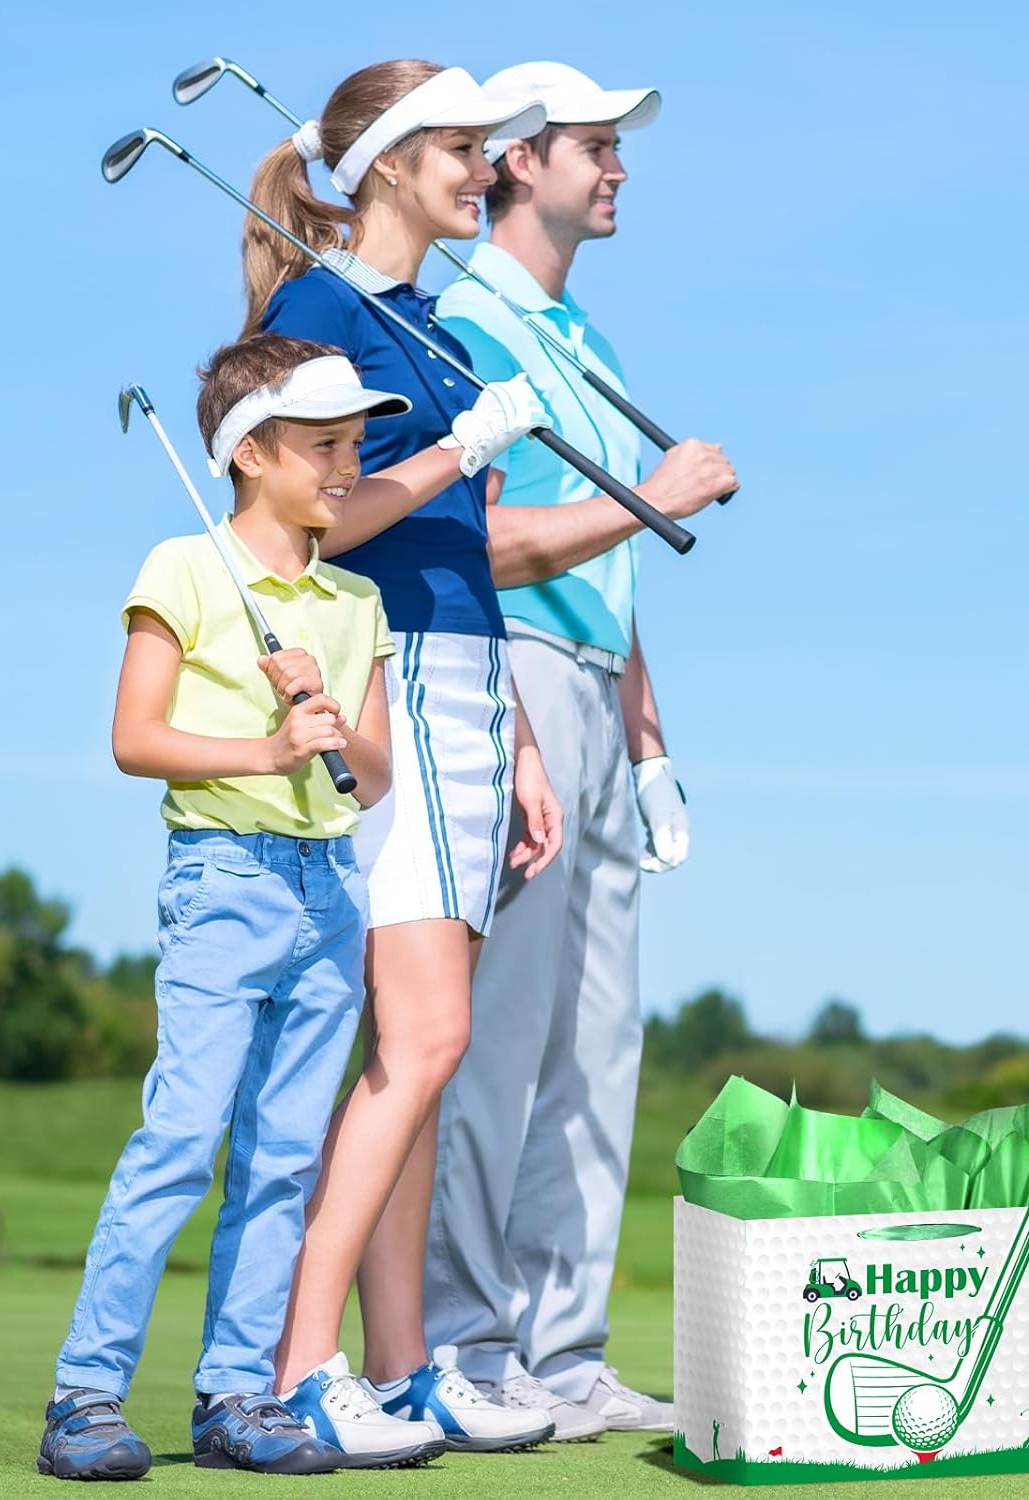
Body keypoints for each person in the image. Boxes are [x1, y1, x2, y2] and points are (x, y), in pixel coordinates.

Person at [244, 60, 571, 1461]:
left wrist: (525, 736)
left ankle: (404, 1364)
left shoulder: (425, 321)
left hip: (469, 679)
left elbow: (462, 557)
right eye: (462, 147)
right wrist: (460, 452)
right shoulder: (317, 315)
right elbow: (313, 520)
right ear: (387, 161)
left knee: (416, 1054)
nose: (485, 170)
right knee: (429, 1038)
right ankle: (300, 1367)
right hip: (396, 674)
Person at [422, 61, 738, 1440]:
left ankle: (563, 1352)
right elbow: (476, 543)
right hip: (513, 679)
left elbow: (612, 571)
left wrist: (651, 744)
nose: (619, 170)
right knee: (502, 1033)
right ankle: (464, 1343)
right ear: (520, 158)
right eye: (597, 146)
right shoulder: (468, 322)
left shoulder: (582, 335)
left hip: (601, 691)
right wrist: (651, 500)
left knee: (599, 1042)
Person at [39, 334, 401, 1479]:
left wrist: (327, 714)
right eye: (324, 443)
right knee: (182, 1139)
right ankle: (85, 1396)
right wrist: (268, 745)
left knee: (284, 1159)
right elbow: (134, 737)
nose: (348, 464)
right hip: (223, 881)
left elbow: (374, 774)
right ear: (250, 453)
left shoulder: (356, 599)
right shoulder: (184, 569)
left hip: (330, 891)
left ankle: (235, 1396)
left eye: (355, 443)